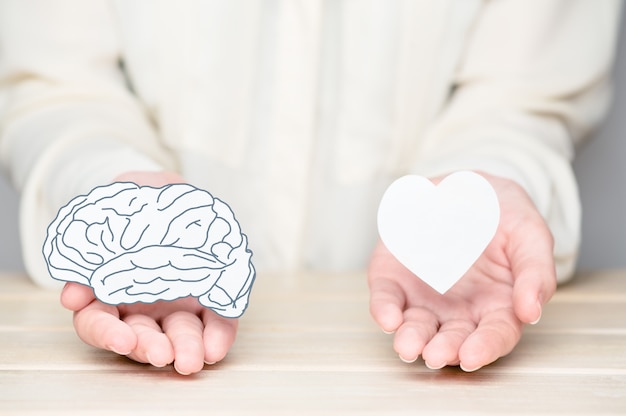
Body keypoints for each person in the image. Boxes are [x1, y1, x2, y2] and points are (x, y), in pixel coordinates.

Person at [0, 0, 621, 375]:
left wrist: (483, 183)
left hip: (389, 358)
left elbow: (522, 93)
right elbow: (54, 80)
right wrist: (112, 187)